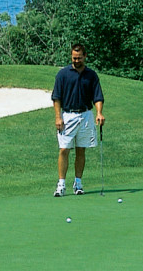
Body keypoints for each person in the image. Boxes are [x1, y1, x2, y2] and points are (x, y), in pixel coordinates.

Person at [51, 43, 105, 197]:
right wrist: (58, 117)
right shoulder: (63, 74)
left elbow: (98, 96)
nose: (76, 60)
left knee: (81, 149)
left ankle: (78, 183)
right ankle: (61, 184)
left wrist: (99, 113)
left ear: (85, 56)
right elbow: (56, 97)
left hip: (86, 114)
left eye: (79, 58)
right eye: (74, 58)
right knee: (64, 149)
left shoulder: (91, 75)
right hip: (67, 116)